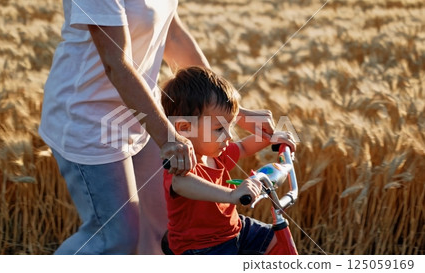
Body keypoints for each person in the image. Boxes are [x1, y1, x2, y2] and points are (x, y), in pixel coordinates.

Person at [40, 0, 278, 254]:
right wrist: (168, 138)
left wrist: (234, 113)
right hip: (91, 120)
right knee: (117, 237)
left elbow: (173, 35)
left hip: (146, 115)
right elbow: (116, 63)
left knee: (164, 229)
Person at [161, 66, 298, 255]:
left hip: (234, 228)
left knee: (277, 240)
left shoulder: (216, 153)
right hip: (201, 246)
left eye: (230, 126)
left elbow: (242, 147)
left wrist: (270, 138)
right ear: (185, 128)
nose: (229, 136)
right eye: (219, 129)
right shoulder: (180, 162)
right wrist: (231, 195)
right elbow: (181, 183)